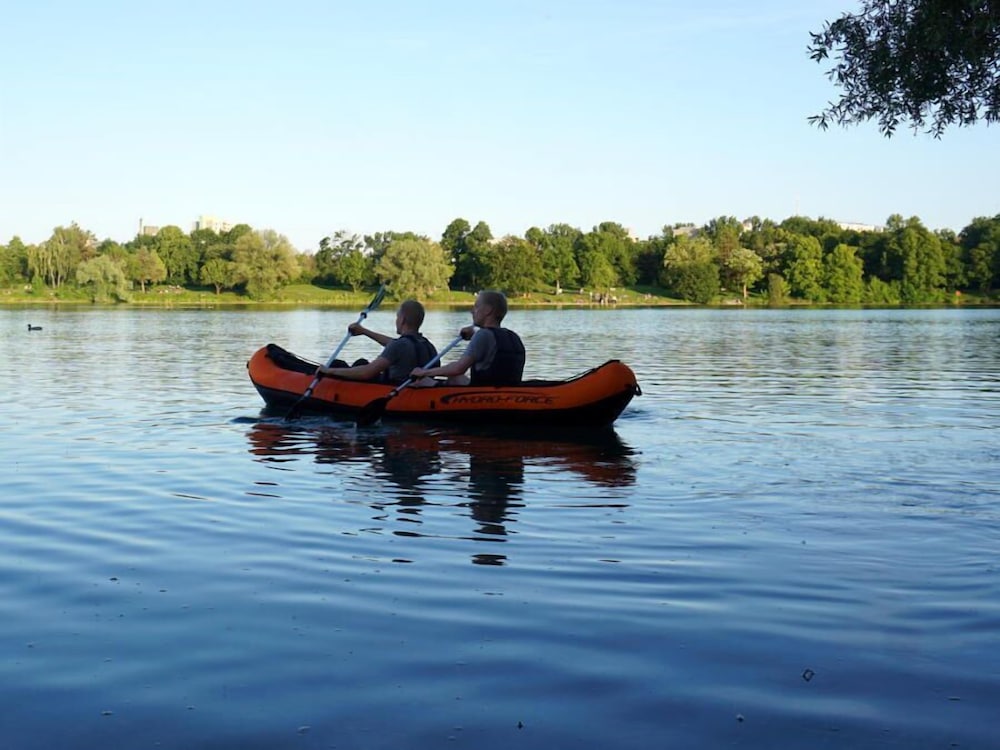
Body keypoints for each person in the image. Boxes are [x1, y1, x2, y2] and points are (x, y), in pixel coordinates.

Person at [411, 290, 525, 386]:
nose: (472, 311)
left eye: (476, 306)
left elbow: (458, 368)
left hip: (483, 395)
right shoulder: (513, 336)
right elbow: (492, 345)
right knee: (456, 377)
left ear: (488, 310)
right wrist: (475, 332)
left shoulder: (483, 335)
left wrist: (425, 372)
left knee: (449, 377)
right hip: (508, 392)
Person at [316, 299, 437, 385]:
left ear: (402, 320)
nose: (396, 321)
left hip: (394, 390)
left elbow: (366, 373)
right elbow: (394, 344)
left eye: (397, 317)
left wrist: (328, 371)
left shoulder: (399, 346)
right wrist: (364, 331)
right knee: (360, 363)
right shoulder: (429, 346)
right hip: (419, 391)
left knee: (343, 364)